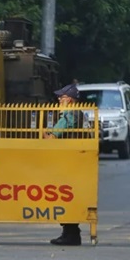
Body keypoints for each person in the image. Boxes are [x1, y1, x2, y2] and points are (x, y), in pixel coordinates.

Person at [45, 83, 84, 246]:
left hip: (66, 161)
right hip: (76, 161)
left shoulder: (68, 116)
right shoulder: (80, 114)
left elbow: (53, 137)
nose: (59, 100)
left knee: (64, 197)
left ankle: (70, 234)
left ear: (71, 100)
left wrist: (45, 135)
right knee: (71, 197)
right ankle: (71, 232)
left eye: (62, 98)